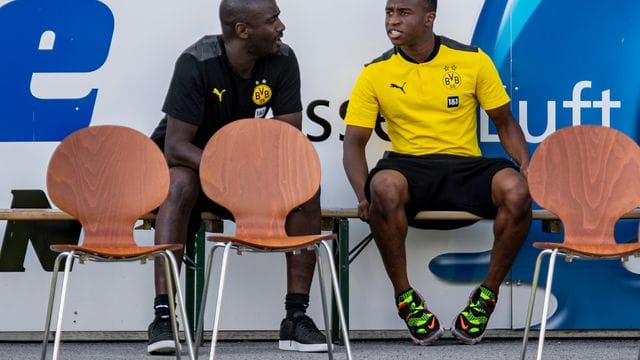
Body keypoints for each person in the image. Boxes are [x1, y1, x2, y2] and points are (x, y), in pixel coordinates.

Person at [342, 0, 532, 346]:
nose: (393, 21)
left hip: (465, 167)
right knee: (382, 186)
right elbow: (354, 143)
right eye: (389, 12)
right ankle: (406, 300)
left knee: (517, 191)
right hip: (409, 167)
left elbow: (504, 122)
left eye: (403, 13)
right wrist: (361, 194)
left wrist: (526, 164)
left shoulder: (472, 60)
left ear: (429, 19)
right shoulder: (375, 72)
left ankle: (485, 298)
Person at [147, 0, 327, 354]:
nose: (281, 26)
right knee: (178, 183)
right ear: (243, 31)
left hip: (245, 172)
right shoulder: (196, 62)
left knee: (306, 188)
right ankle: (164, 319)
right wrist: (232, 171)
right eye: (272, 19)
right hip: (196, 169)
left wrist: (249, 173)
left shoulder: (283, 58)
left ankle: (295, 319)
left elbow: (288, 133)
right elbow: (176, 148)